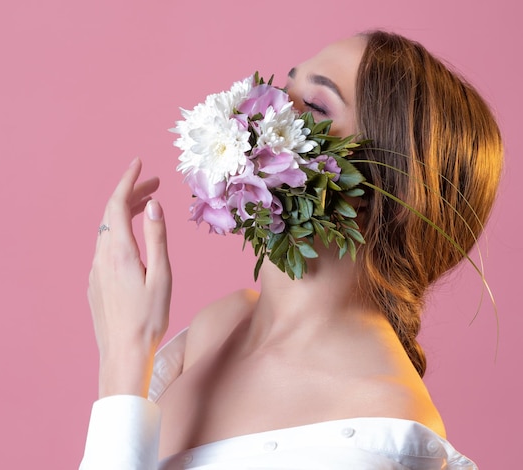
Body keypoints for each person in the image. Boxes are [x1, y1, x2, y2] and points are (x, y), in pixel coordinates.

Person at [80, 30, 502, 469]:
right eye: (285, 87)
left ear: (381, 192)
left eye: (316, 105)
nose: (262, 106)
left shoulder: (378, 432)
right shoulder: (219, 325)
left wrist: (123, 359)